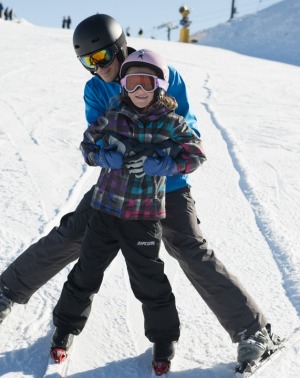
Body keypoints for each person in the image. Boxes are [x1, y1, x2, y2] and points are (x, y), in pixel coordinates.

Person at [0, 14, 280, 369]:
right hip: (118, 187)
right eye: (87, 62)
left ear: (118, 47)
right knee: (74, 232)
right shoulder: (96, 89)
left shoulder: (163, 74)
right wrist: (105, 154)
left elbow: (187, 130)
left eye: (101, 57)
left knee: (188, 244)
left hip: (166, 183)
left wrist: (161, 158)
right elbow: (96, 136)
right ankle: (6, 290)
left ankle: (252, 331)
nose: (96, 68)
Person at [51, 49, 206, 375]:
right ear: (123, 86)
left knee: (149, 280)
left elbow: (196, 155)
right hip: (105, 211)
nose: (138, 92)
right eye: (131, 84)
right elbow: (87, 146)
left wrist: (164, 164)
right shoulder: (113, 116)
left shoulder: (172, 124)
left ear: (159, 86)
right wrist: (103, 156)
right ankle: (66, 326)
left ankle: (163, 338)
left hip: (145, 217)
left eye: (145, 84)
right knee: (86, 273)